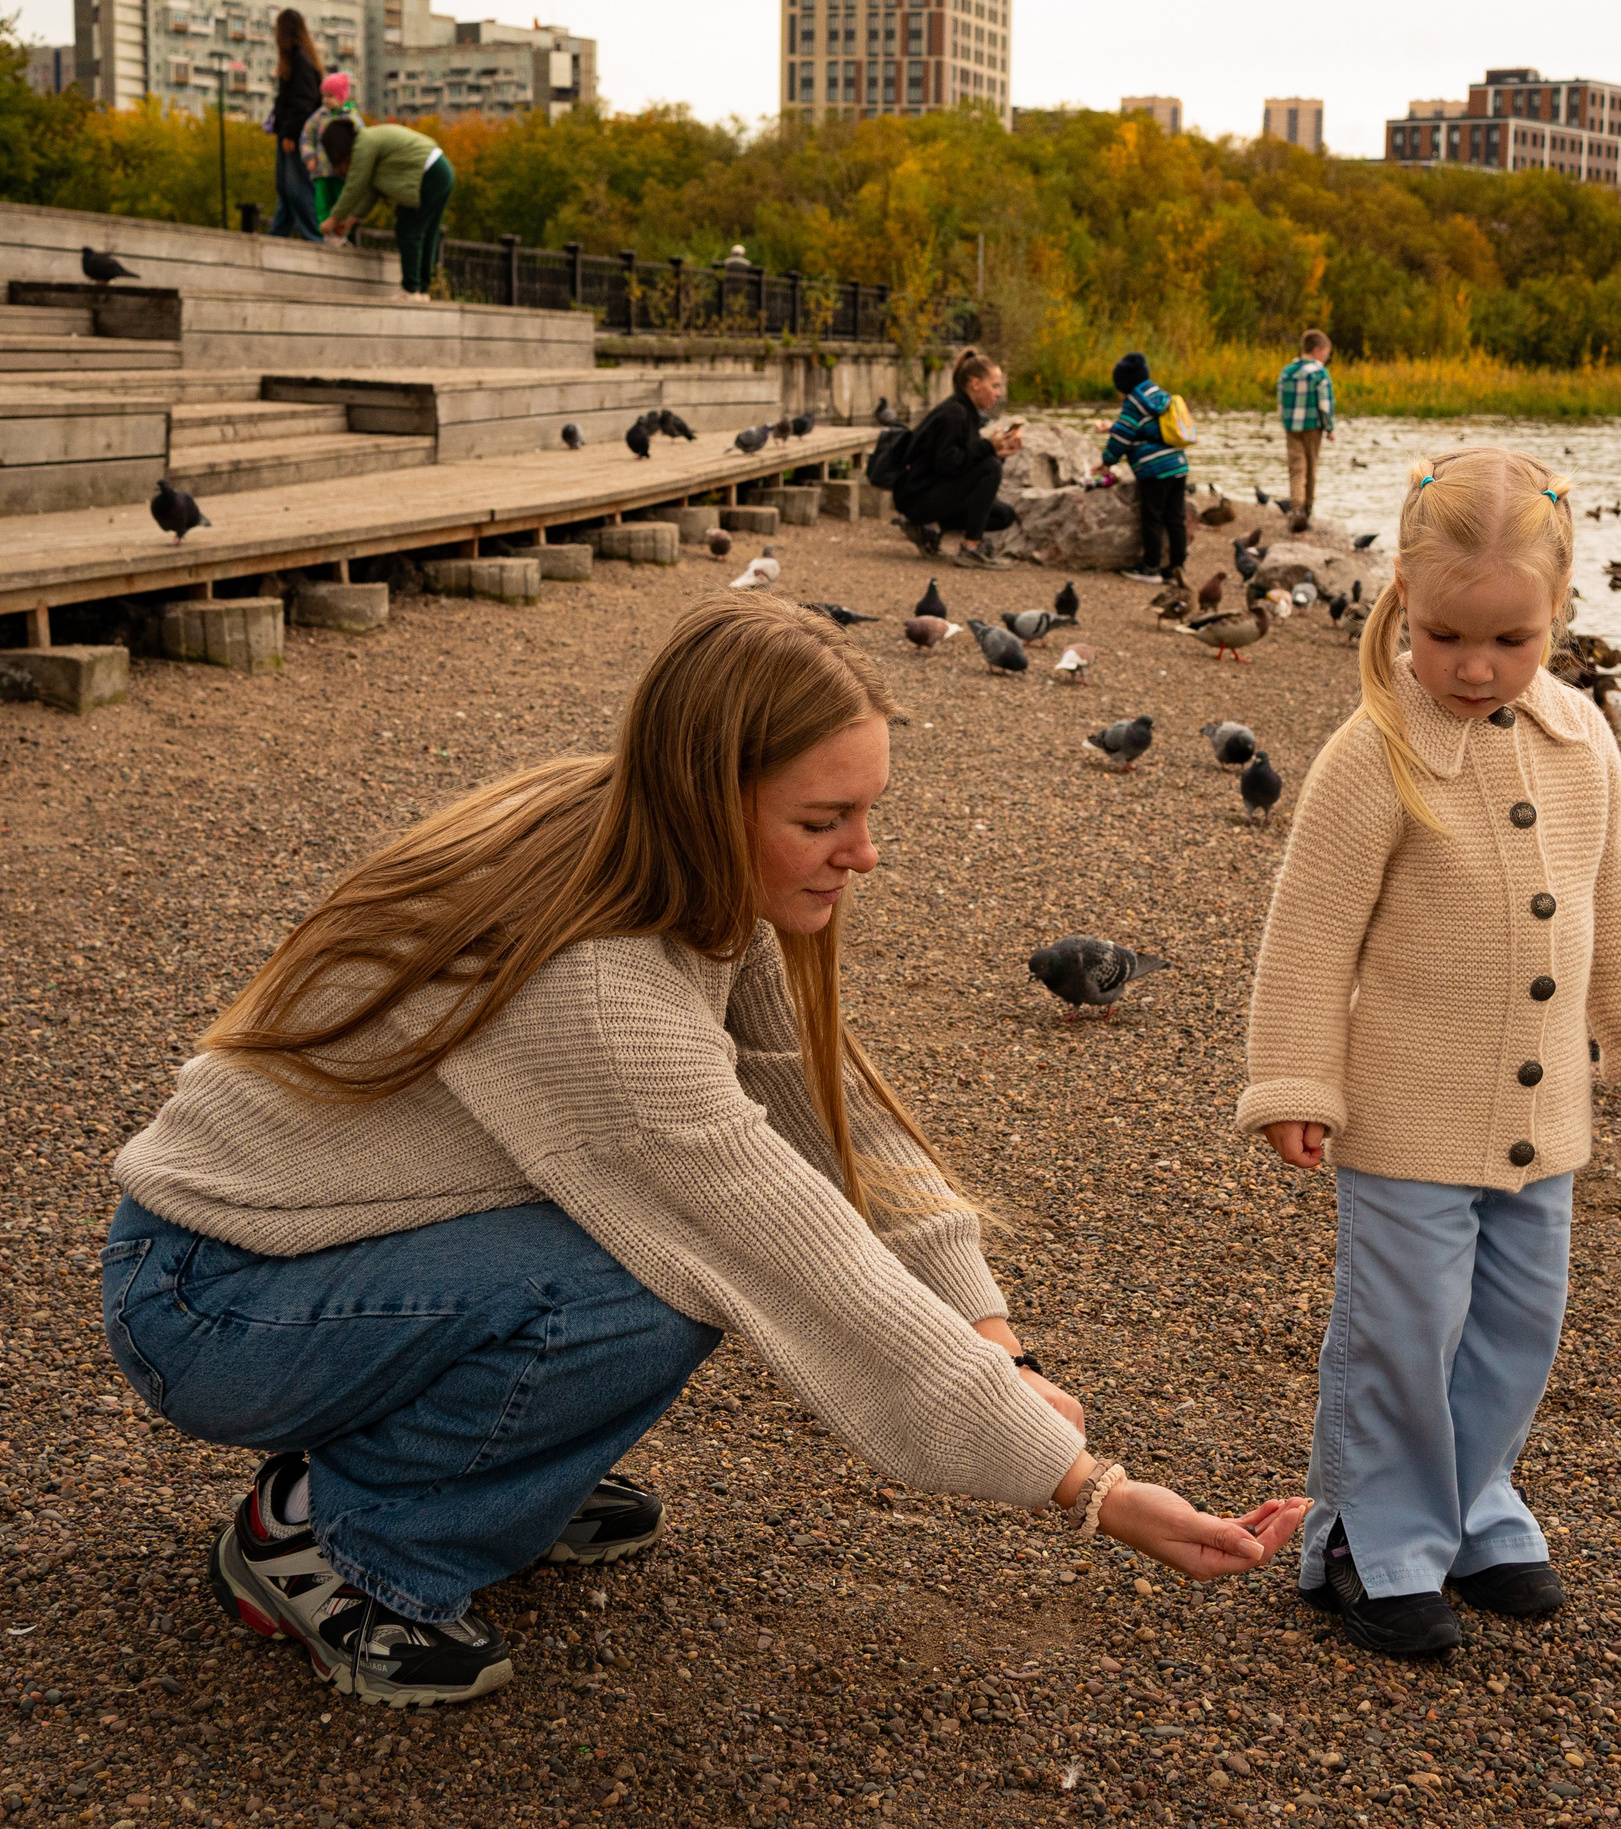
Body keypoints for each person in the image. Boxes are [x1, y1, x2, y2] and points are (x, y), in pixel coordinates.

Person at [102, 596, 1308, 1707]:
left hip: (313, 1257)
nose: (865, 852)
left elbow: (824, 1112)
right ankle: (337, 1542)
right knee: (650, 1282)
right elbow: (791, 1248)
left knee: (652, 1257)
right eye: (822, 819)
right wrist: (1084, 1486)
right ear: (706, 795)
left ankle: (487, 1479)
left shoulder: (646, 842)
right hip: (215, 1299)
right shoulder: (595, 986)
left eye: (868, 810)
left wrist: (994, 1335)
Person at [1236, 448, 1621, 1658]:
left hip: (1543, 1122)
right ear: (1401, 597)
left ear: (1559, 614)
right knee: (1403, 1322)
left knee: (1515, 1321)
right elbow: (1308, 936)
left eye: (1512, 640)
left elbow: (1619, 897)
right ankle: (1368, 1535)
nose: (1477, 668)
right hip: (1404, 1114)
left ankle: (1477, 1504)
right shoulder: (1370, 752)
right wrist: (1294, 1078)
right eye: (1445, 637)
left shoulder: (1582, 736)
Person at [892, 348, 1024, 570]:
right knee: (990, 467)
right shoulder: (954, 414)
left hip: (933, 491)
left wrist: (998, 451)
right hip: (916, 497)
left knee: (1004, 515)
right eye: (994, 386)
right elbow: (947, 465)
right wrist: (988, 449)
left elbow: (966, 462)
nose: (998, 393)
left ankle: (930, 528)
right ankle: (971, 548)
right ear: (975, 384)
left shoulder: (966, 412)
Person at [318, 117, 452, 296]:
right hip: (440, 170)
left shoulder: (363, 145)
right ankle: (422, 290)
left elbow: (354, 186)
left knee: (409, 229)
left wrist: (333, 218)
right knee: (426, 232)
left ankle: (411, 290)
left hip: (428, 173)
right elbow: (372, 191)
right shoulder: (369, 141)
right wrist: (350, 221)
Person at [1095, 351, 1189, 585]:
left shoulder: (1133, 405)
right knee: (1175, 518)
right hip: (1177, 465)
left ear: (1125, 385)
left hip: (1154, 470)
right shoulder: (1159, 397)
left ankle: (1150, 567)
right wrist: (1112, 427)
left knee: (1153, 518)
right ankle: (1177, 569)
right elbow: (1146, 428)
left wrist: (1107, 461)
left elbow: (1123, 438)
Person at [265, 11, 325, 243]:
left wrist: (290, 132)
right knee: (285, 187)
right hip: (289, 132)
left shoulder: (300, 60)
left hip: (298, 135)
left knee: (297, 187)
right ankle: (279, 234)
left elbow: (303, 101)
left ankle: (315, 236)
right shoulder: (296, 60)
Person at [1276, 330, 1336, 516]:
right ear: (1317, 350)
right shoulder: (1320, 373)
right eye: (1327, 353)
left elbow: (1280, 403)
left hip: (1291, 428)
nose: (1327, 357)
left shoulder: (1287, 371)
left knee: (1296, 468)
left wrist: (1285, 423)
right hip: (1312, 427)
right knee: (1310, 468)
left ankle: (1296, 508)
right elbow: (1324, 405)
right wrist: (1329, 428)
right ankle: (1308, 509)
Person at [305, 72, 363, 227]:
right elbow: (307, 136)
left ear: (341, 96)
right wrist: (309, 156)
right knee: (322, 203)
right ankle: (324, 232)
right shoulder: (319, 116)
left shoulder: (351, 118)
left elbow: (360, 141)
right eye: (323, 96)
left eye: (330, 96)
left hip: (342, 171)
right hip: (321, 170)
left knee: (342, 203)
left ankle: (341, 231)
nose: (325, 100)